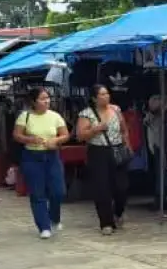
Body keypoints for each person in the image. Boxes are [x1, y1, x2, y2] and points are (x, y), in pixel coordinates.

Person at [13, 87, 69, 239]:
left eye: (47, 98)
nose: (47, 101)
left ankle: (54, 218)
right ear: (34, 101)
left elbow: (65, 135)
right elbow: (17, 135)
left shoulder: (55, 116)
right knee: (38, 193)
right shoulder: (25, 116)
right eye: (43, 98)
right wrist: (30, 139)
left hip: (52, 156)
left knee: (58, 191)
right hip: (32, 156)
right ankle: (43, 226)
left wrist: (55, 140)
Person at [76, 85, 129, 235]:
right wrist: (95, 129)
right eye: (102, 94)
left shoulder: (116, 110)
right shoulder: (86, 114)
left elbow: (124, 129)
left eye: (107, 94)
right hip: (98, 151)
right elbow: (80, 135)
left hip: (117, 149)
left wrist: (127, 145)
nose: (106, 97)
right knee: (102, 188)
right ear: (94, 98)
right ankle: (106, 222)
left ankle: (118, 212)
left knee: (121, 186)